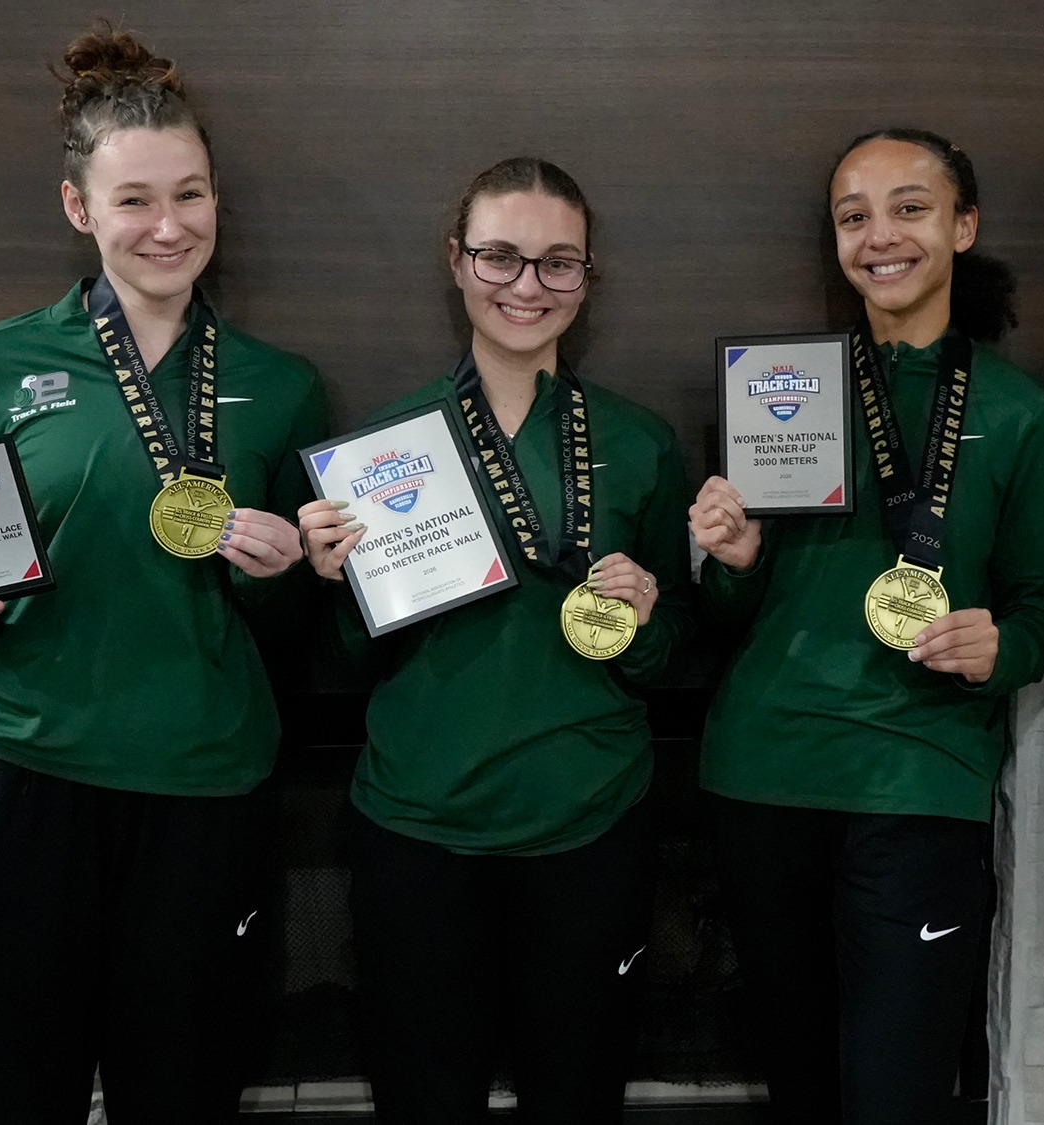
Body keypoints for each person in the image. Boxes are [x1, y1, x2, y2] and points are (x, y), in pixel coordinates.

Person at [0, 26, 329, 1123]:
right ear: (78, 209)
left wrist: (285, 573)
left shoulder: (280, 386)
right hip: (12, 779)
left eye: (190, 195)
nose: (168, 225)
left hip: (199, 791)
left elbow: (290, 628)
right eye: (134, 200)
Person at [689, 128, 1044, 1124]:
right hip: (760, 774)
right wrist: (727, 563)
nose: (879, 235)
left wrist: (1002, 649)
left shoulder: (1022, 414)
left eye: (908, 207)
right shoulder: (777, 390)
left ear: (962, 224)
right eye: (852, 216)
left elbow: (1039, 614)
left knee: (895, 1093)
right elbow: (732, 610)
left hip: (918, 779)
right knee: (801, 1086)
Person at [297, 156, 690, 1124]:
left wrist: (643, 618)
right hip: (419, 828)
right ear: (456, 261)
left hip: (589, 822)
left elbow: (675, 652)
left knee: (578, 1096)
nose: (526, 287)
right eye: (501, 258)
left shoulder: (638, 442)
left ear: (587, 278)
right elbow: (342, 662)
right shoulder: (384, 448)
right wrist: (332, 584)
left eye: (558, 264)